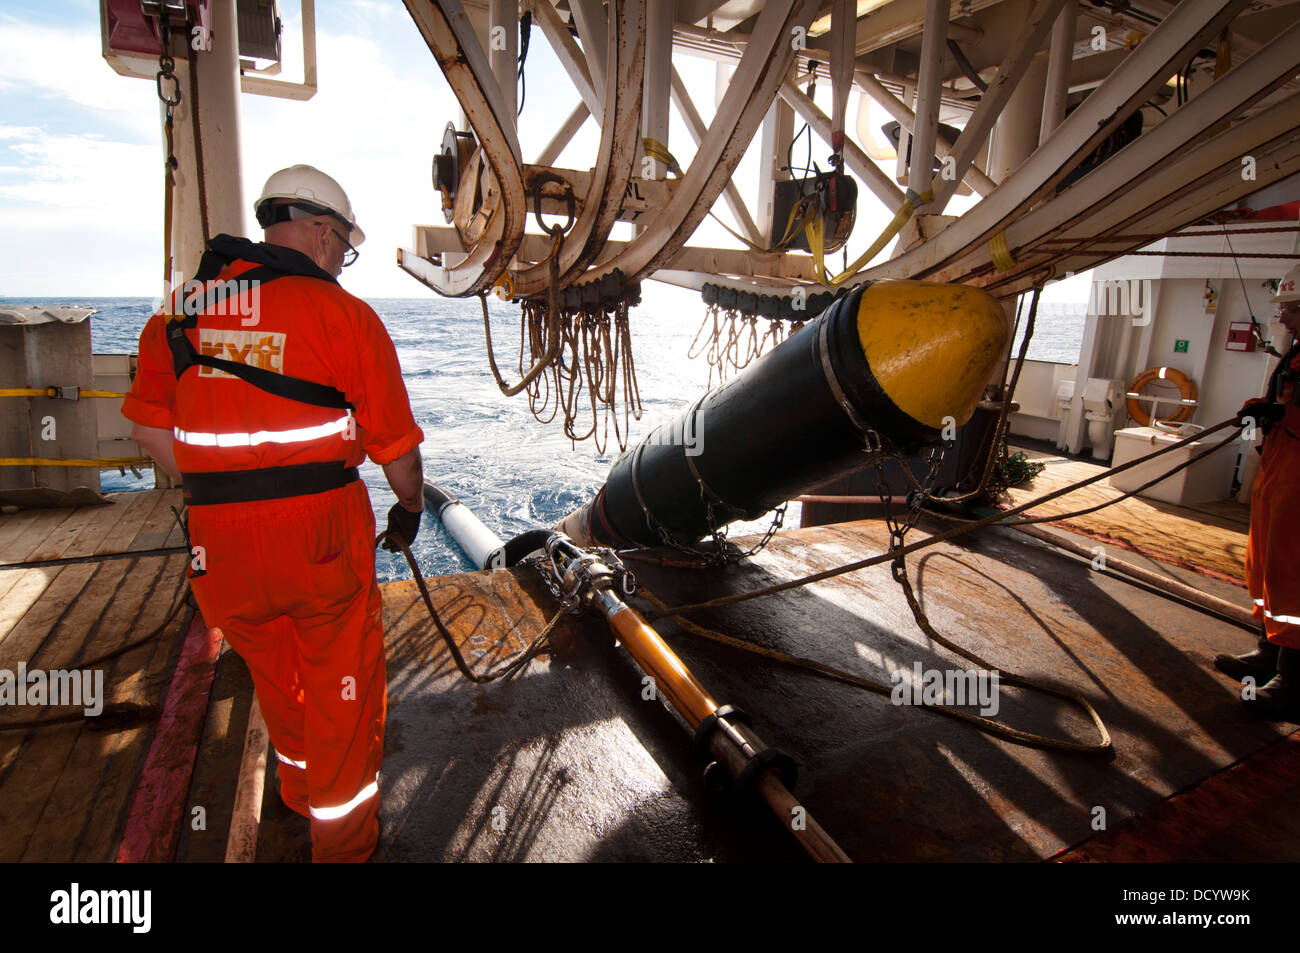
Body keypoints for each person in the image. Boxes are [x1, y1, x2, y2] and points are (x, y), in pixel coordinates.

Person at [122, 165, 425, 861]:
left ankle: (296, 794)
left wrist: (222, 490)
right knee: (340, 695)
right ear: (322, 231)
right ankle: (343, 845)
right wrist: (409, 509)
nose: (340, 262)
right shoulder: (343, 315)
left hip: (220, 555)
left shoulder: (180, 310)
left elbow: (147, 433)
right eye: (344, 249)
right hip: (319, 544)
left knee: (277, 677)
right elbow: (398, 456)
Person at [1214, 264, 1300, 720]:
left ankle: (1295, 681)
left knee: (1293, 576)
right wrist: (1262, 409)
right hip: (1280, 471)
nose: (1282, 317)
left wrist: (1283, 414)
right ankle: (1269, 652)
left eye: (1290, 307)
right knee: (1264, 565)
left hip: (1298, 478)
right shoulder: (1297, 352)